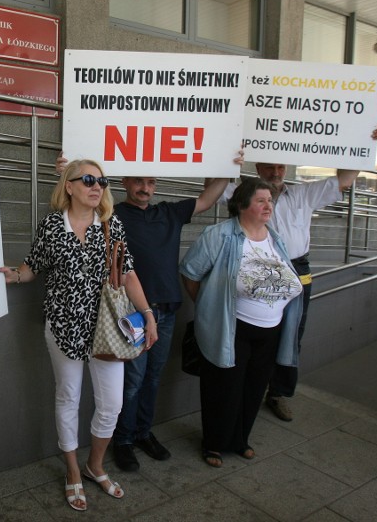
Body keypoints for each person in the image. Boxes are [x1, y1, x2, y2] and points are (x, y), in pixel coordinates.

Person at [56, 150, 244, 472]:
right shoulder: (112, 217)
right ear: (125, 182)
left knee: (152, 378)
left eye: (151, 182)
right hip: (131, 314)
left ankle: (143, 432)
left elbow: (208, 198)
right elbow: (75, 208)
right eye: (139, 181)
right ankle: (124, 440)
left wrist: (227, 165)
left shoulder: (170, 212)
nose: (145, 187)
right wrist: (65, 173)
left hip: (167, 312)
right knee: (132, 380)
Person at [0, 159, 157, 512]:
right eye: (88, 179)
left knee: (112, 403)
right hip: (63, 327)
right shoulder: (52, 225)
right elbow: (33, 266)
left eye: (101, 180)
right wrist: (15, 275)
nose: (96, 185)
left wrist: (147, 314)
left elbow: (127, 273)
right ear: (69, 186)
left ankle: (95, 464)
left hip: (107, 331)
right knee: (68, 396)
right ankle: (72, 467)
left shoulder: (110, 224)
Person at [225, 124, 377, 421]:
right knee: (251, 331)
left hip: (298, 270)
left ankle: (279, 393)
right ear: (257, 166)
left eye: (280, 165)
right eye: (269, 166)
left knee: (292, 332)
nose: (275, 171)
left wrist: (363, 140)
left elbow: (345, 178)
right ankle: (249, 389)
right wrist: (225, 156)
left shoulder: (303, 194)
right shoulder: (242, 196)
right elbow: (215, 188)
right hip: (257, 270)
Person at [180, 177, 303, 467]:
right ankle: (213, 444)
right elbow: (190, 274)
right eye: (261, 200)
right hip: (231, 328)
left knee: (253, 388)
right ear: (243, 204)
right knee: (223, 388)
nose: (268, 205)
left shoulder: (275, 237)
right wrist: (211, 307)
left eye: (270, 200)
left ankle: (240, 440)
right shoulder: (219, 235)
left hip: (271, 330)